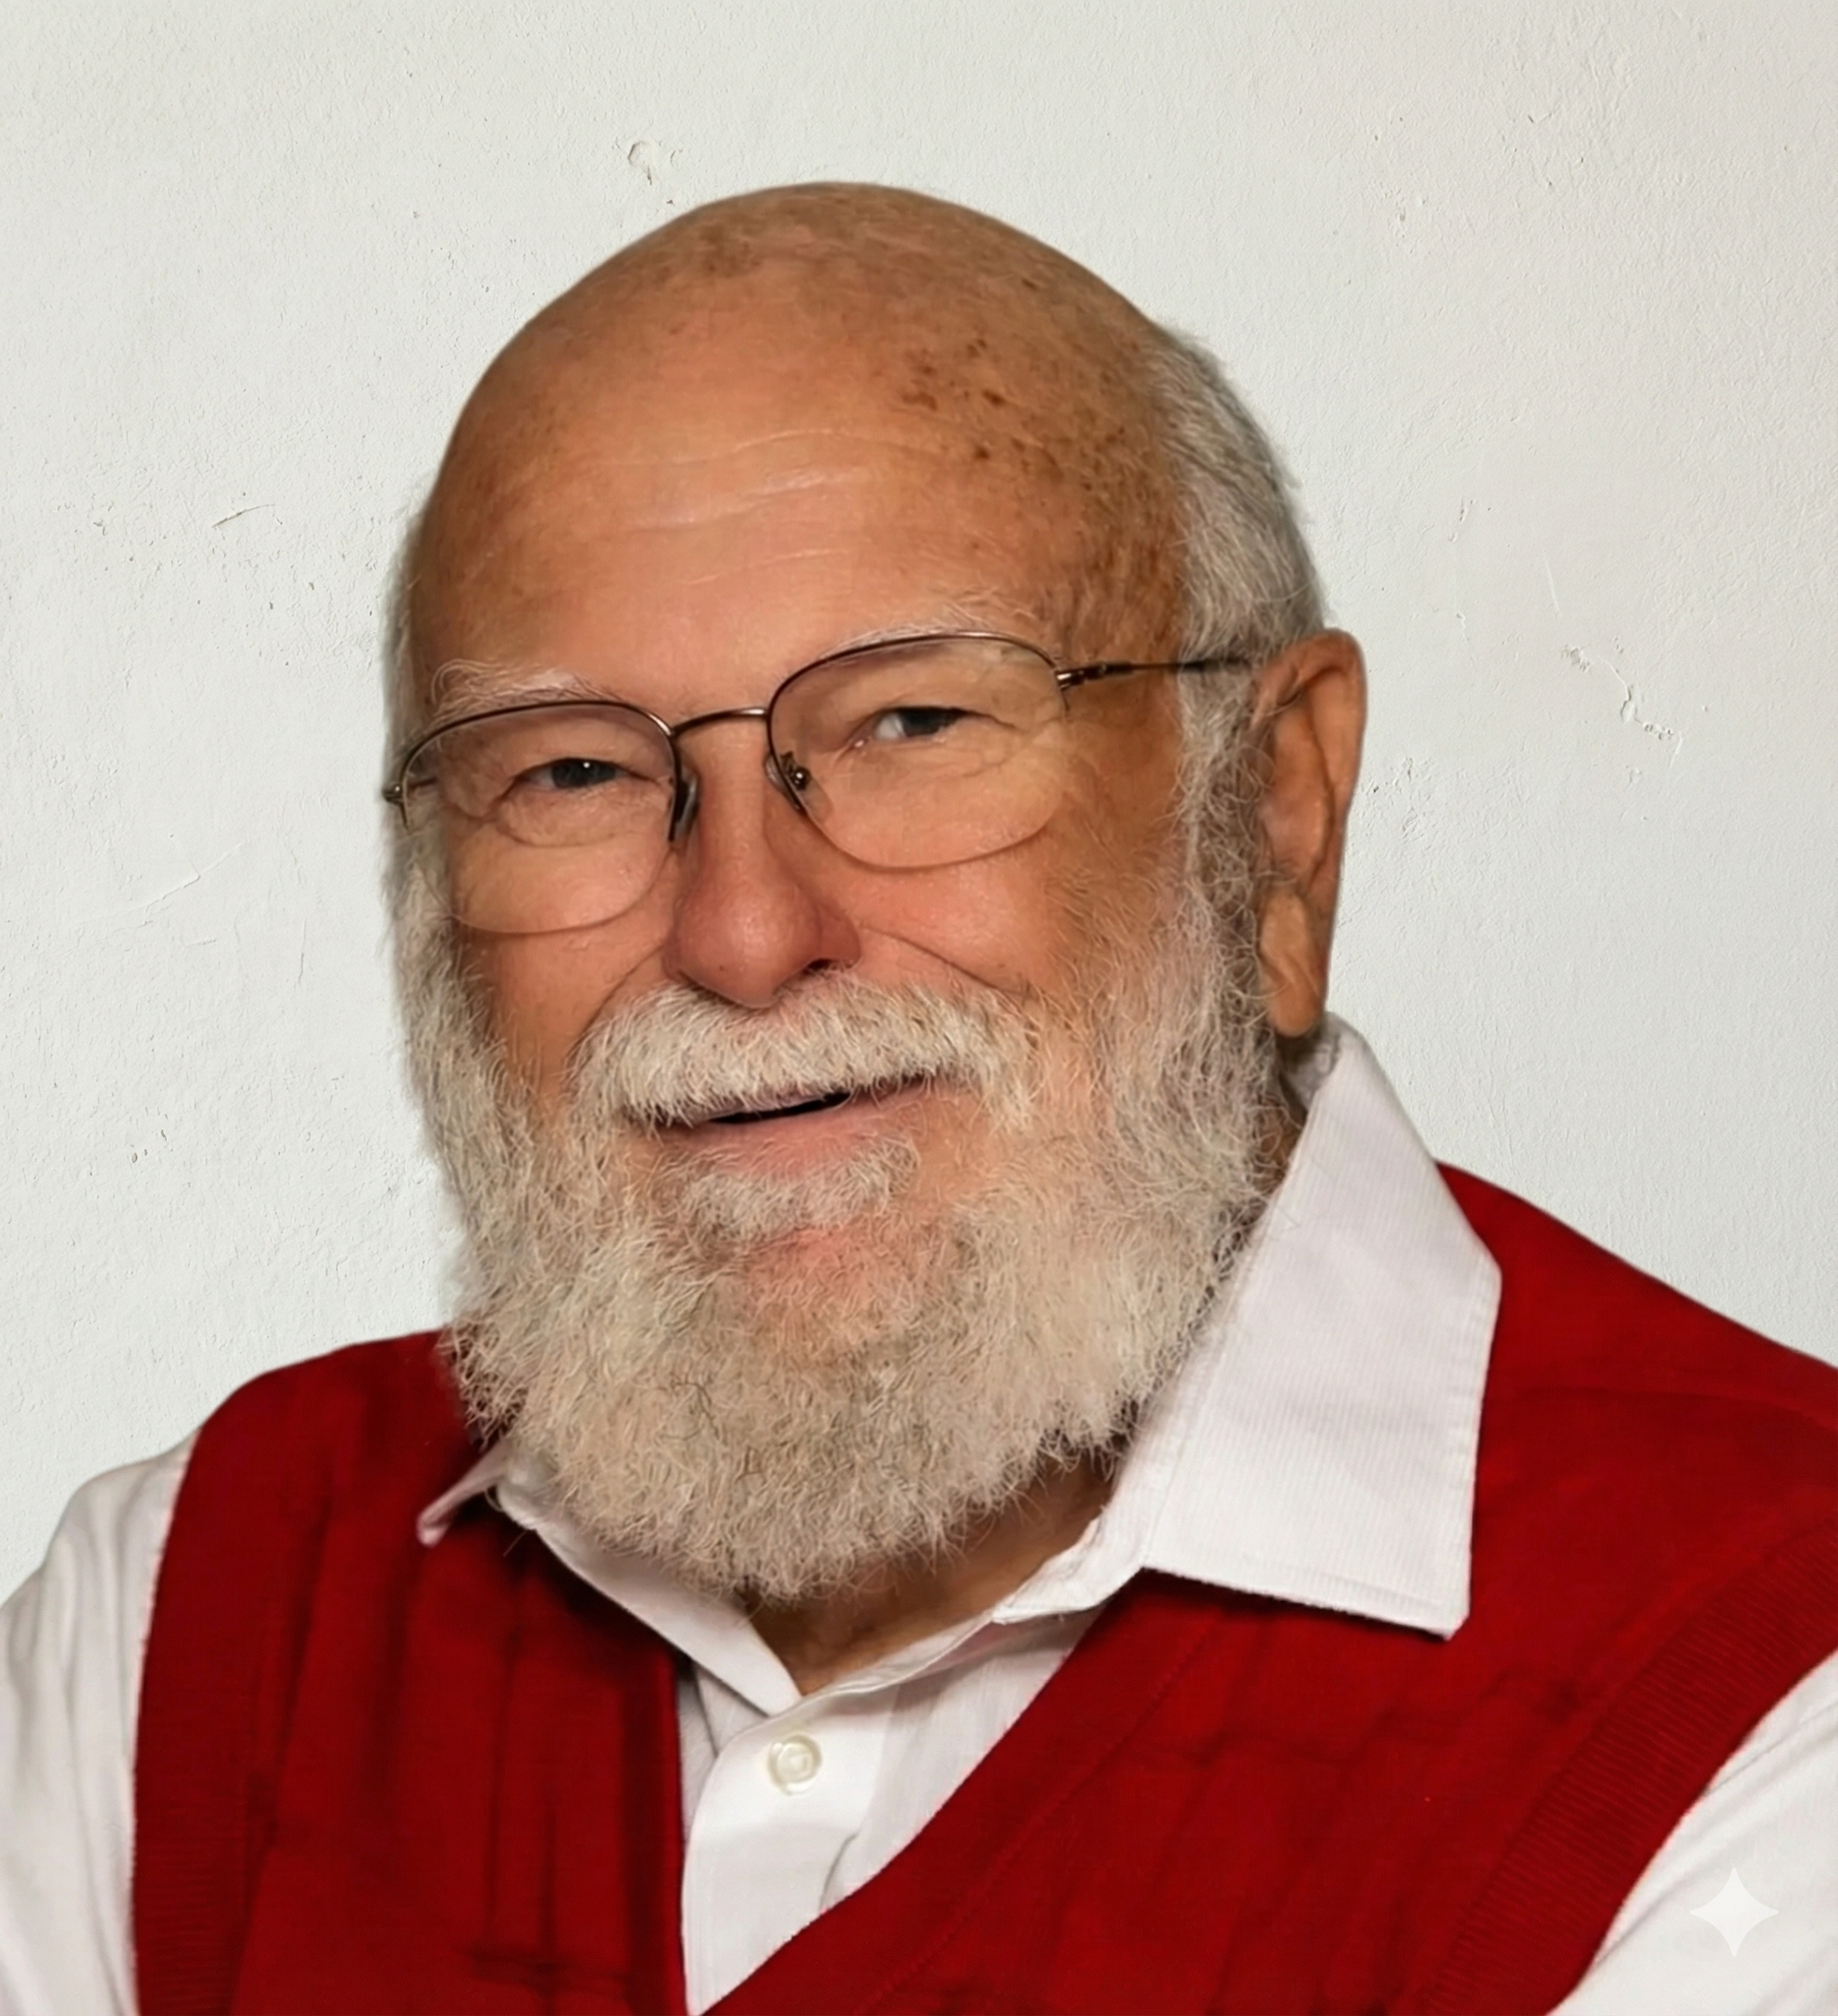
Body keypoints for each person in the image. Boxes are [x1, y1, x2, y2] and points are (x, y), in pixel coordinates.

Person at [2, 183, 1832, 2016]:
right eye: (567, 769)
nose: (738, 931)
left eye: (913, 726)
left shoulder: (1762, 1686)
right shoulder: (183, 1617)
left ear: (1272, 809)